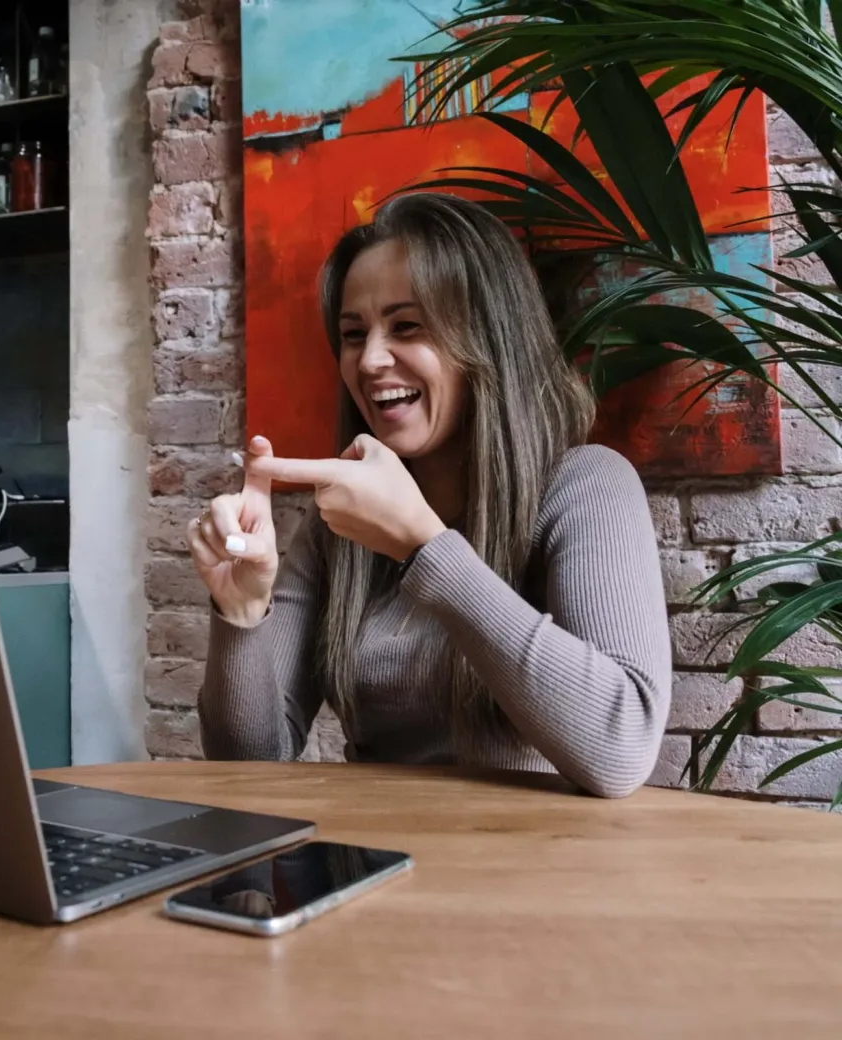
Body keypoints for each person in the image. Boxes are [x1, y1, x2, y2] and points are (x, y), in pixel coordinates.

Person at [186, 192, 671, 798]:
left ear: (488, 338)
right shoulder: (336, 526)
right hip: (378, 868)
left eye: (406, 326)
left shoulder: (586, 486)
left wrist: (424, 547)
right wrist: (241, 612)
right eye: (353, 333)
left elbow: (622, 751)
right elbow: (249, 767)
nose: (371, 360)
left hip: (544, 875)